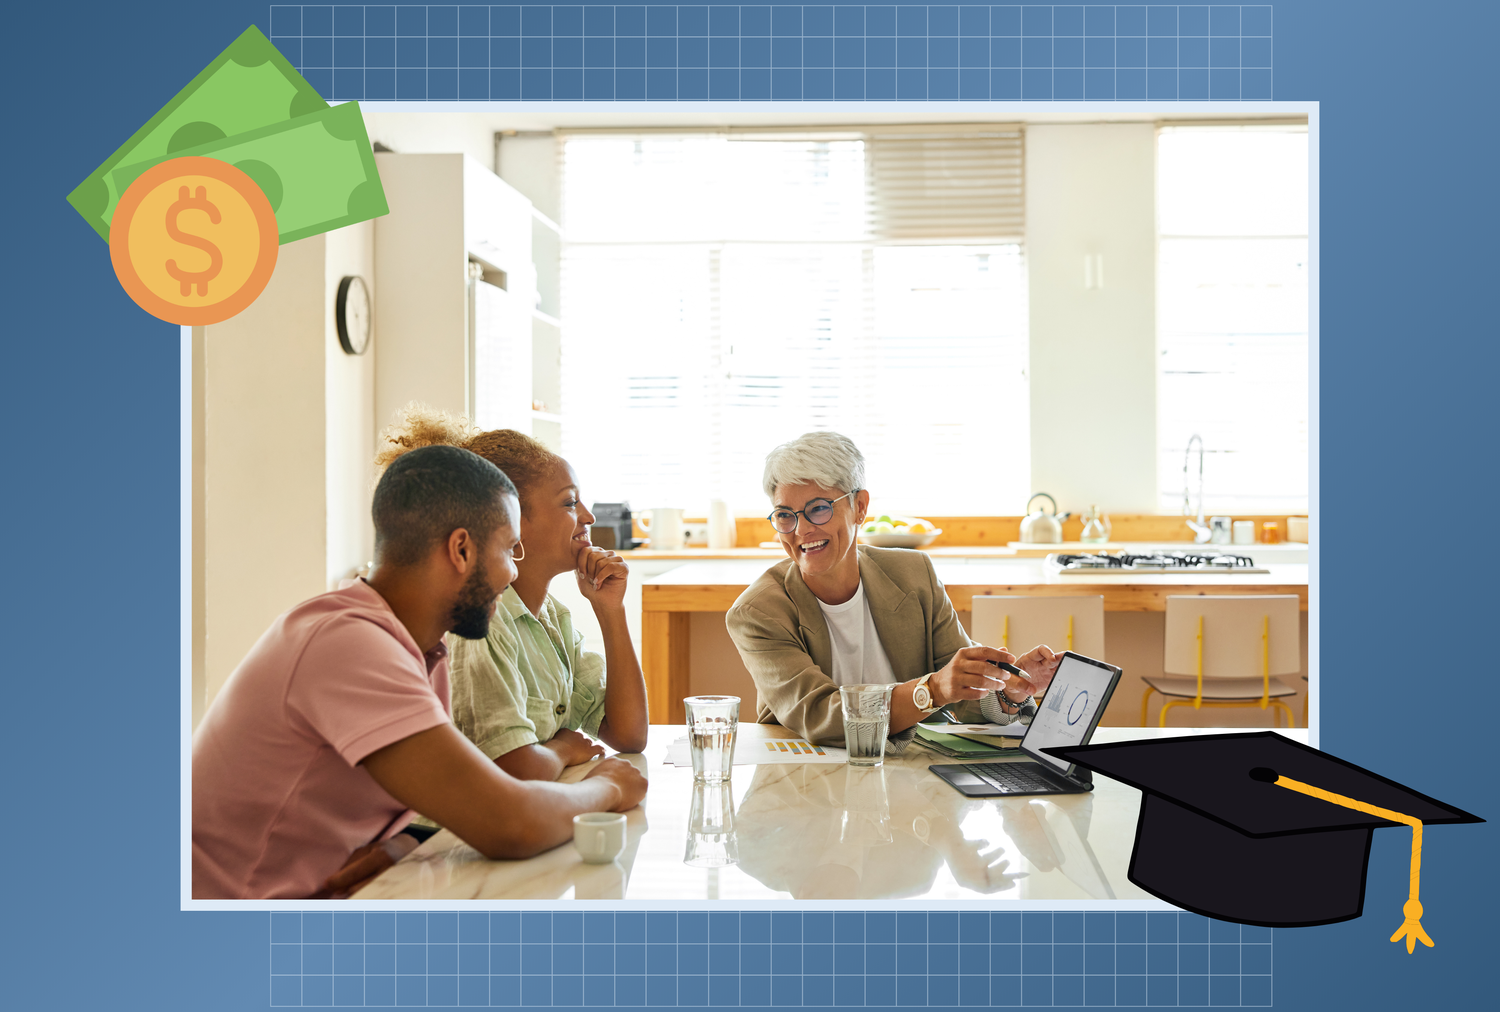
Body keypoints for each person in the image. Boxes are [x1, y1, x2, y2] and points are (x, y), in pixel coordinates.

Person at [191, 445, 648, 900]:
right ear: (461, 550)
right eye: (509, 551)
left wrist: (402, 844)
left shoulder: (415, 648)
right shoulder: (349, 645)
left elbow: (442, 800)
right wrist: (606, 787)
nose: (512, 574)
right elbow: (509, 823)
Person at [726, 431, 1061, 750]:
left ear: (859, 507)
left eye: (818, 508)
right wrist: (929, 691)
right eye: (785, 515)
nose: (801, 530)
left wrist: (1008, 689)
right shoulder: (756, 613)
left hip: (906, 779)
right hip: (804, 782)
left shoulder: (914, 575)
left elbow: (957, 691)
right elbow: (820, 715)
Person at [375, 405, 649, 786]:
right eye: (570, 502)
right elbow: (511, 769)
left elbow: (629, 734)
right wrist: (565, 749)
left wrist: (610, 612)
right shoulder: (481, 622)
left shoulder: (552, 616)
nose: (587, 517)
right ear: (511, 516)